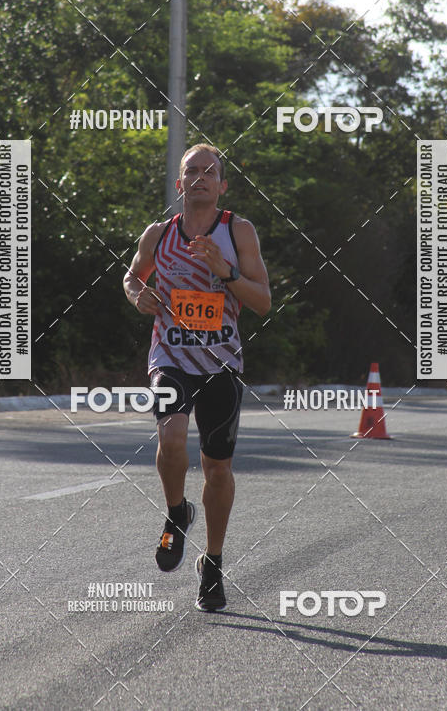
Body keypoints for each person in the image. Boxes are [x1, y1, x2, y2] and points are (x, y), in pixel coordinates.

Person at [123, 143, 271, 611]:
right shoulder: (158, 233)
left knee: (217, 468)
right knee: (171, 440)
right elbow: (132, 278)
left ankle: (213, 562)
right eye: (193, 170)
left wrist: (224, 272)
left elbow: (263, 300)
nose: (201, 177)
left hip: (222, 364)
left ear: (222, 186)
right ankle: (175, 513)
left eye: (211, 172)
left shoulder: (237, 231)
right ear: (179, 183)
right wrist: (138, 296)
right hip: (170, 356)